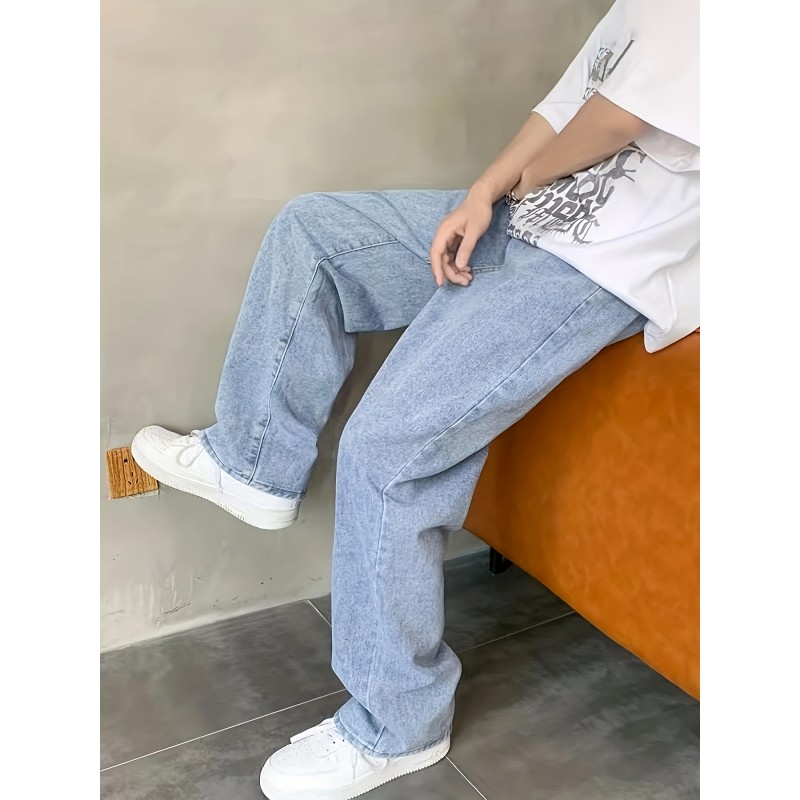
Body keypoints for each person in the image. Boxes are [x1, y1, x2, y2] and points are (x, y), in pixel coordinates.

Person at [130, 0, 699, 797]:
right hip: (529, 224)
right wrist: (484, 193)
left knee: (389, 449)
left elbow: (615, 121)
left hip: (606, 269)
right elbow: (569, 102)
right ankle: (253, 462)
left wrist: (519, 183)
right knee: (316, 234)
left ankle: (398, 725)